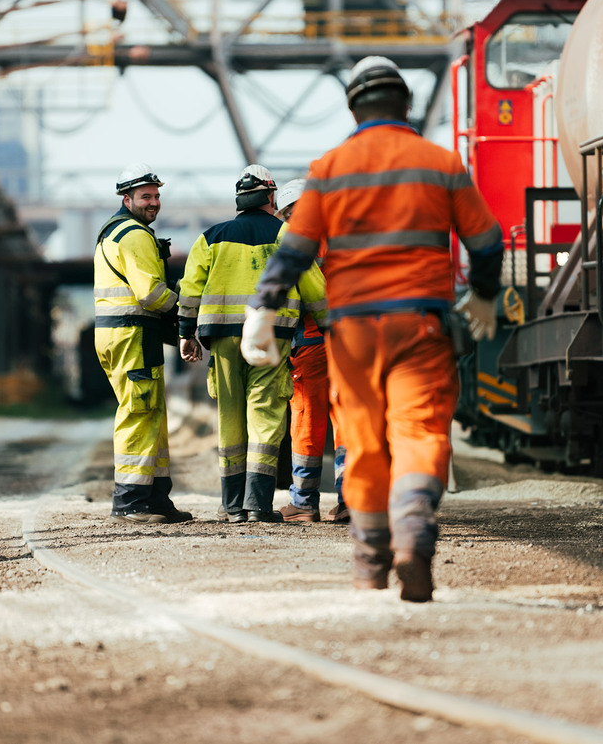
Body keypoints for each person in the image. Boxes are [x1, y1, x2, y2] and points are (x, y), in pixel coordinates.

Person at [242, 57, 503, 601]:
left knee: (361, 439)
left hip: (353, 331)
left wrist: (263, 310)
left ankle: (370, 557)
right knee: (420, 432)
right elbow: (485, 241)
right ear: (406, 105)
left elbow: (295, 249)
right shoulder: (441, 163)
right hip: (422, 325)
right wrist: (483, 294)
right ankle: (413, 535)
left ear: (353, 108)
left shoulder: (330, 168)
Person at [177, 165, 328, 524]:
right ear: (271, 197)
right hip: (269, 337)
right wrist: (328, 325)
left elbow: (190, 287)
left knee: (230, 418)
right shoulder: (286, 234)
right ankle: (257, 504)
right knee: (265, 415)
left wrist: (186, 332)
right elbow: (313, 286)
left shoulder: (211, 237)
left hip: (222, 339)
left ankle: (232, 506)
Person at [94, 162, 193, 524]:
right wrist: (186, 309)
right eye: (145, 196)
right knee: (138, 412)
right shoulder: (134, 234)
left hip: (126, 334)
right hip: (132, 335)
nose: (153, 202)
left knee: (151, 412)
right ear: (127, 199)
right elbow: (150, 293)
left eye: (156, 195)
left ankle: (155, 497)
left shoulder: (114, 231)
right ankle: (130, 502)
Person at [273, 178, 349, 524]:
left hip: (311, 341)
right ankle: (351, 500)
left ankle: (303, 503)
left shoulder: (296, 241)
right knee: (347, 420)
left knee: (306, 421)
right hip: (347, 342)